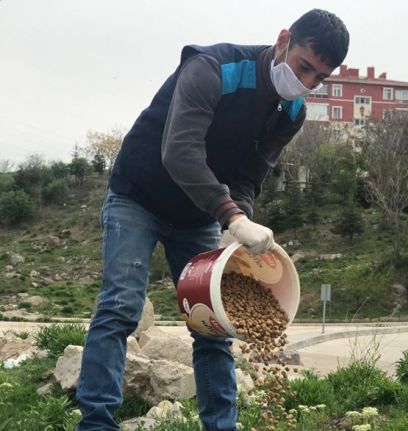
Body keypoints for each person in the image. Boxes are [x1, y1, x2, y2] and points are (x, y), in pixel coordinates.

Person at [75, 9, 349, 431]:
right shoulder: (213, 69)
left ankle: (221, 425)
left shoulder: (291, 113)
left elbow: (247, 177)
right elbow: (179, 153)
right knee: (121, 307)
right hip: (139, 197)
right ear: (282, 42)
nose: (308, 83)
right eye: (303, 67)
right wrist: (234, 218)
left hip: (198, 214)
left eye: (319, 78)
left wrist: (233, 227)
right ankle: (96, 423)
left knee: (214, 323)